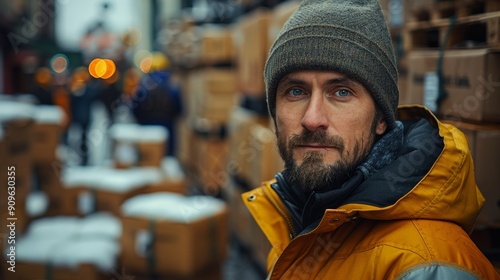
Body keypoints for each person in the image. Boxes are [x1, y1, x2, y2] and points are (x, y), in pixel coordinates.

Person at [241, 0, 500, 279]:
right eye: (295, 91)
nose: (312, 119)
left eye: (341, 92)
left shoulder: (425, 265)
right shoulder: (297, 225)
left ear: (381, 120)